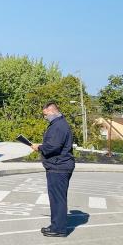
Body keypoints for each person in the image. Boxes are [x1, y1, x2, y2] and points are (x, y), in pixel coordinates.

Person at [31, 101, 75, 237]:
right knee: (56, 198)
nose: (45, 117)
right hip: (58, 166)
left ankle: (59, 229)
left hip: (59, 166)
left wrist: (39, 147)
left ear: (51, 111)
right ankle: (55, 224)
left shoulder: (59, 126)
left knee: (58, 199)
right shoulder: (58, 124)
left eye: (45, 115)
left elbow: (53, 146)